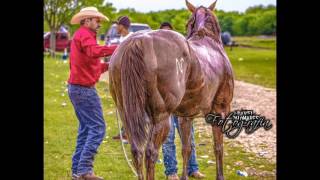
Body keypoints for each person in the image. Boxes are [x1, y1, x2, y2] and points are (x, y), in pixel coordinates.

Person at [68, 7, 115, 180]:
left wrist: (111, 65)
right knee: (98, 128)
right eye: (97, 20)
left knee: (86, 129)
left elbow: (94, 65)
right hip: (83, 89)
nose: (99, 23)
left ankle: (77, 170)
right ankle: (84, 171)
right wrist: (118, 48)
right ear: (87, 20)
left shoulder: (82, 35)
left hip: (77, 88)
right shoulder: (84, 35)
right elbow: (94, 52)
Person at [159, 22, 205, 180]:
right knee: (168, 138)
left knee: (189, 137)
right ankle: (171, 172)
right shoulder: (157, 59)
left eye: (170, 34)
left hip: (183, 104)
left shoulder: (183, 55)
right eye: (163, 33)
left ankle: (193, 169)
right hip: (167, 105)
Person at [111, 16, 133, 141]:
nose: (116, 27)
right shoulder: (121, 38)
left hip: (130, 77)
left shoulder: (131, 38)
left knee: (129, 104)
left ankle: (129, 132)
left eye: (117, 25)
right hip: (121, 76)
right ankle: (125, 131)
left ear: (122, 26)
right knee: (123, 104)